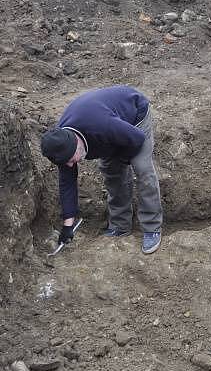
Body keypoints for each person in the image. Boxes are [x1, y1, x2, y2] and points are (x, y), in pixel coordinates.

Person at [40, 85, 163, 255]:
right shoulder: (60, 146)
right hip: (109, 128)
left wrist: (122, 158)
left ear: (76, 143)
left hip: (134, 118)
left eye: (71, 160)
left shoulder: (100, 125)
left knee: (142, 168)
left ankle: (152, 227)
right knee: (112, 171)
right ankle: (120, 225)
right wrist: (68, 225)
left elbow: (137, 138)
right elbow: (67, 183)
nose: (70, 165)